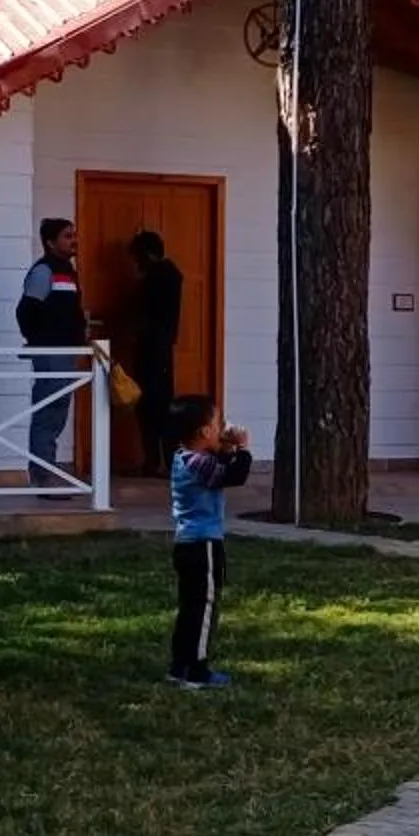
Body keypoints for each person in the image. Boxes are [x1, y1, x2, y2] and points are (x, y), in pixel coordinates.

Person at [165, 395, 252, 689]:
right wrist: (243, 449)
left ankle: (179, 666)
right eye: (217, 424)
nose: (222, 429)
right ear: (204, 432)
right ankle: (197, 671)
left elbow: (218, 468)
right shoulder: (199, 463)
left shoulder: (185, 458)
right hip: (204, 545)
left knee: (189, 607)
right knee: (204, 608)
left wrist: (226, 449)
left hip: (186, 543)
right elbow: (234, 475)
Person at [16, 217, 85, 499]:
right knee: (48, 411)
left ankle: (48, 471)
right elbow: (26, 311)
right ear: (50, 242)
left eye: (74, 235)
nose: (73, 241)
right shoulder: (44, 271)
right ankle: (43, 476)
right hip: (50, 352)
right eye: (67, 236)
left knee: (58, 411)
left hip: (67, 352)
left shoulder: (67, 271)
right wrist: (40, 341)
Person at [125, 230, 184, 473]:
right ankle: (162, 461)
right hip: (159, 348)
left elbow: (148, 313)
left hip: (154, 348)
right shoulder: (170, 274)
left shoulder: (158, 278)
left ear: (147, 255)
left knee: (153, 404)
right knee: (158, 403)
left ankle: (159, 461)